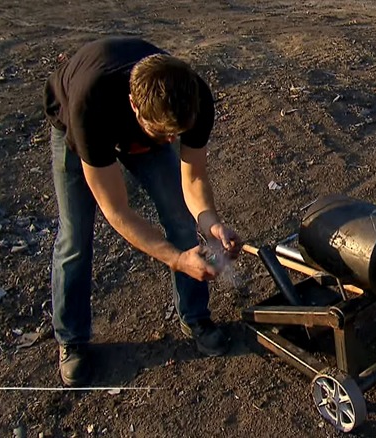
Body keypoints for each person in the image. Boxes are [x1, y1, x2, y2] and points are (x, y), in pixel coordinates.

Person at [43, 37, 241, 387]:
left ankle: (195, 317)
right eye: (164, 135)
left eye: (176, 135)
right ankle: (71, 340)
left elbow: (192, 177)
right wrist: (178, 260)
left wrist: (211, 223)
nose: (169, 142)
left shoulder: (193, 98)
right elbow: (116, 209)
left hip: (140, 118)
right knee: (75, 237)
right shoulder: (91, 106)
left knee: (181, 218)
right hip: (77, 125)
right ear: (134, 105)